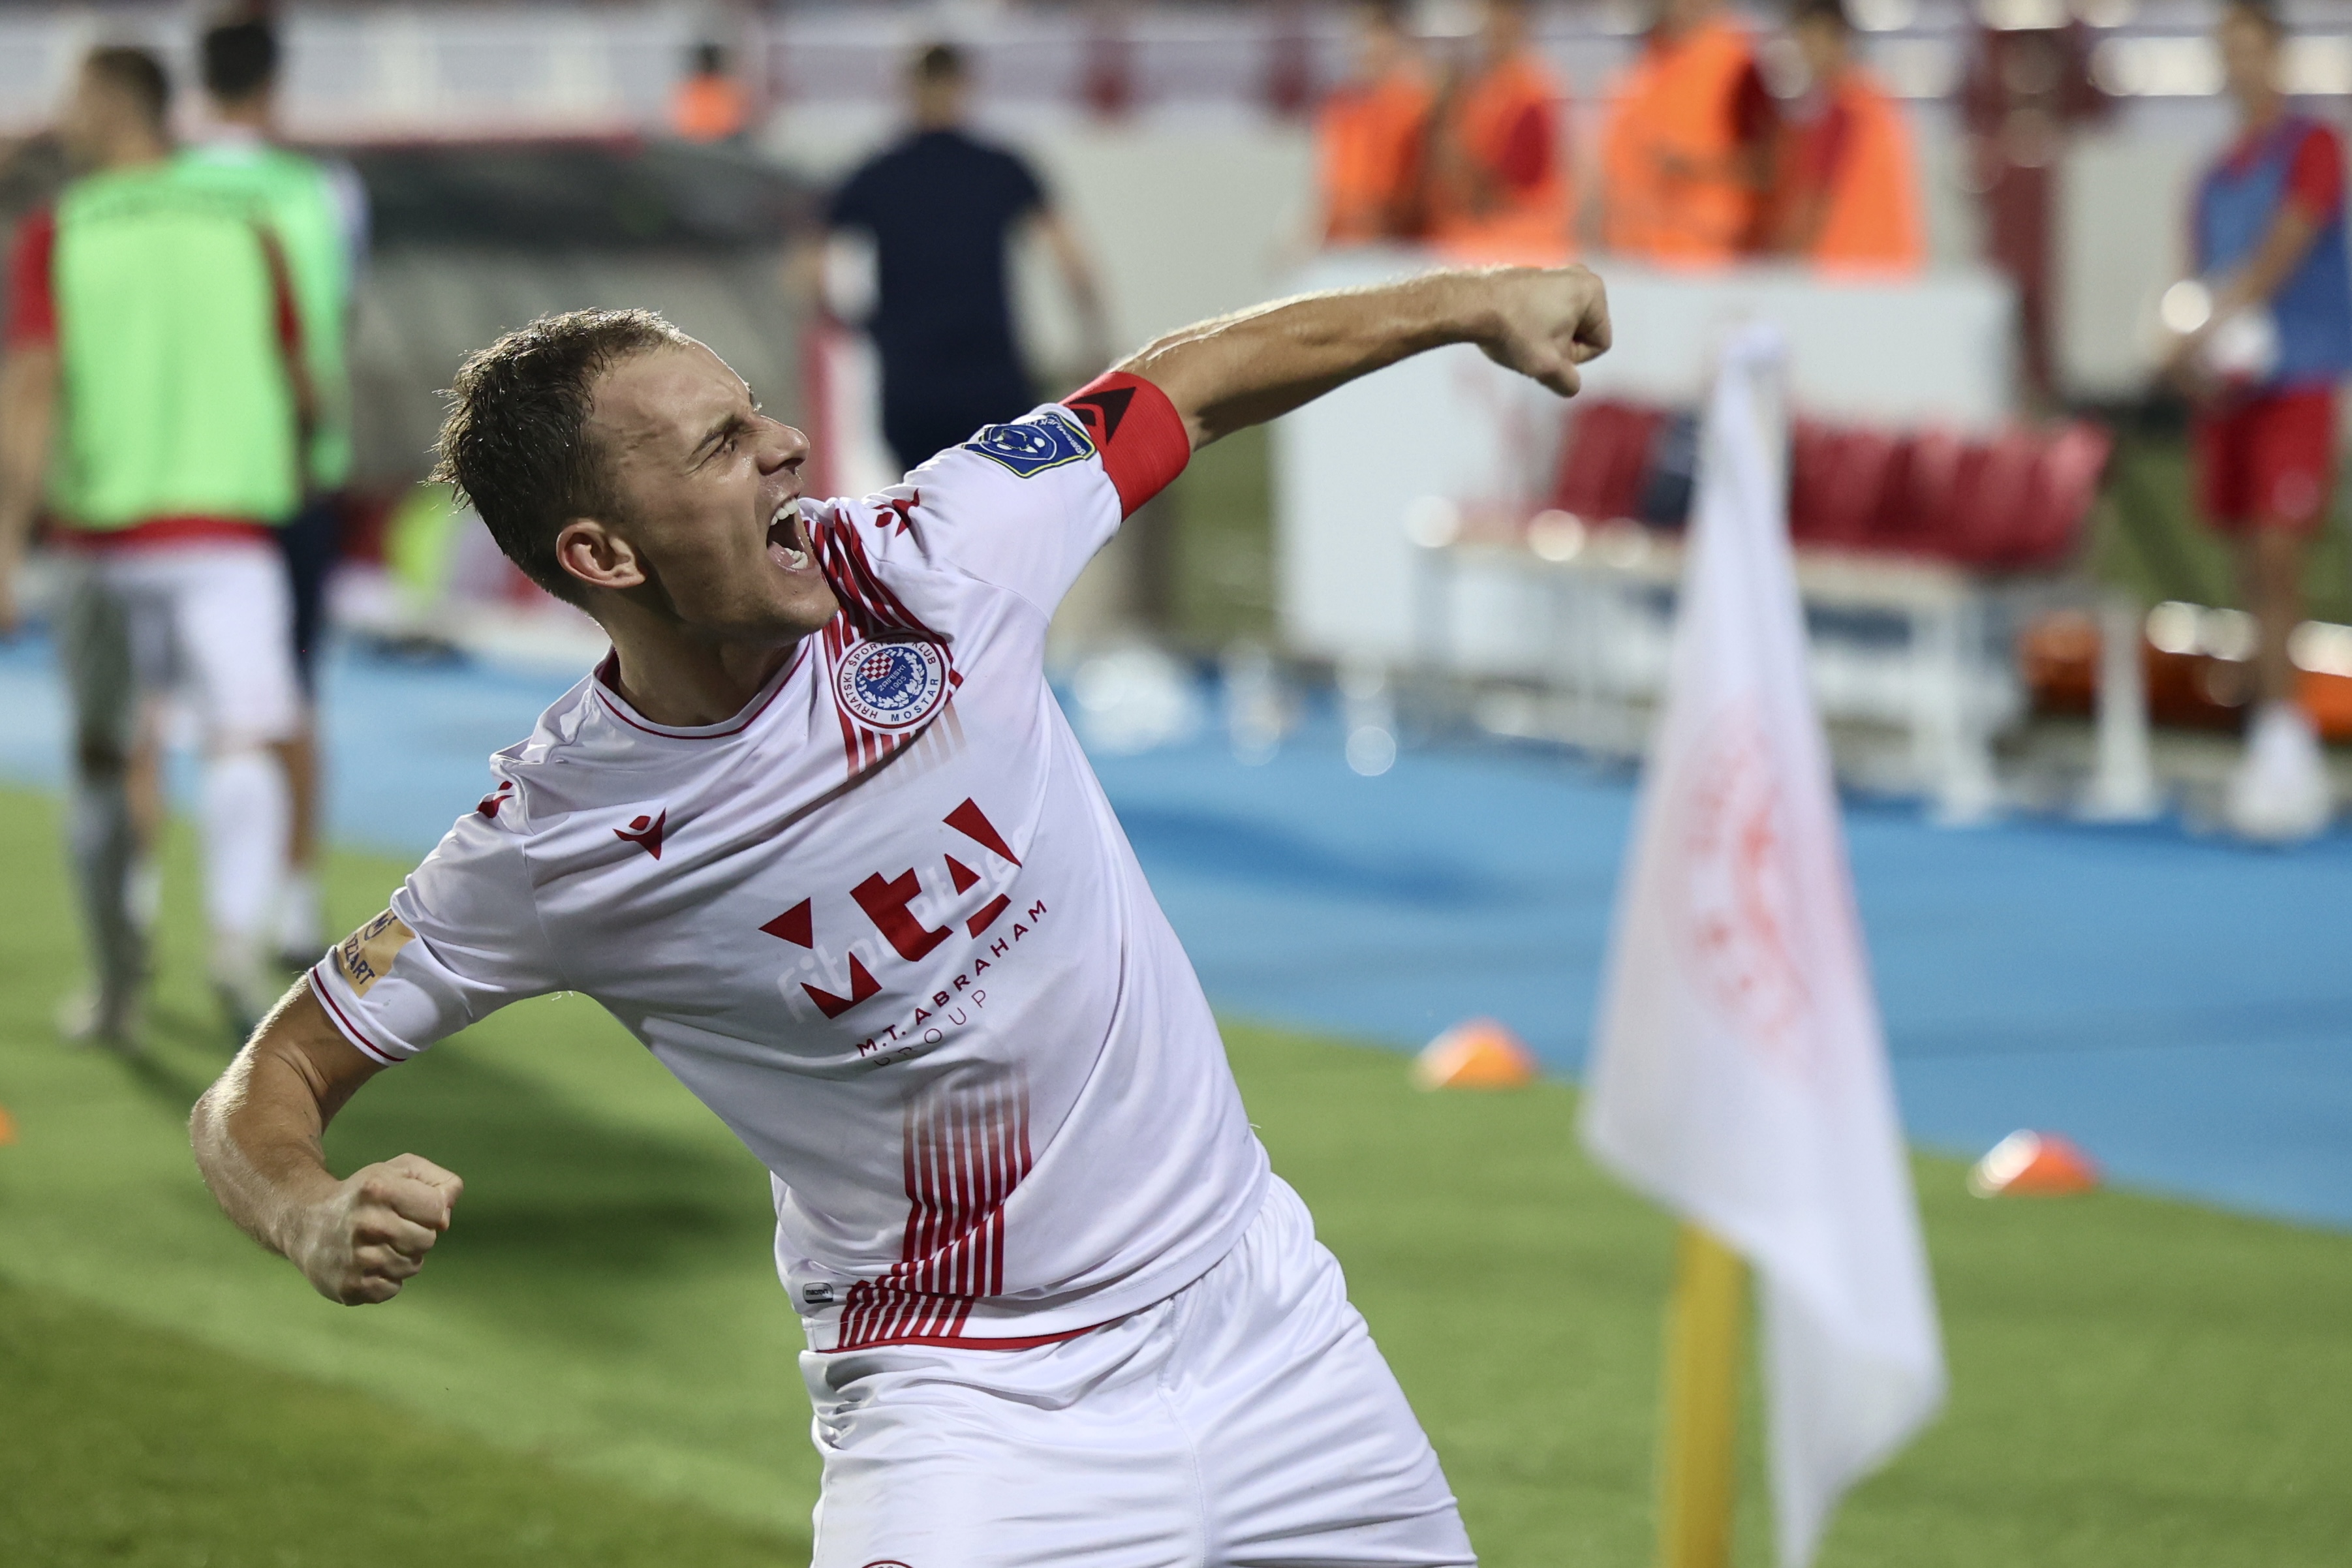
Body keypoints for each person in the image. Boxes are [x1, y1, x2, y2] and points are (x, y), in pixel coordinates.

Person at [187, 262, 1611, 1565]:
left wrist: (1470, 302)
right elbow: (266, 1079)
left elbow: (1187, 385)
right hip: (971, 1404)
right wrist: (307, 1210)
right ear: (605, 555)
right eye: (720, 445)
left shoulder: (937, 554)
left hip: (1268, 1323)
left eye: (756, 411)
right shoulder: (552, 844)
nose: (786, 447)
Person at [0, 48, 309, 1044]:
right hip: (231, 529)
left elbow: (34, 384)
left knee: (101, 758)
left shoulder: (65, 228)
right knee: (244, 737)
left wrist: (5, 537)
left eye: (71, 98)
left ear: (107, 103)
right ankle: (235, 949)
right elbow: (300, 377)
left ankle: (116, 987)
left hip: (103, 537)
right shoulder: (247, 225)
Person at [181, 13, 369, 968]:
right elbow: (337, 317)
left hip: (179, 476)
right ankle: (293, 903)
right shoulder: (323, 191)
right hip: (292, 472)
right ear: (273, 84)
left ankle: (142, 908)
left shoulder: (153, 192)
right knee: (291, 689)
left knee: (166, 701)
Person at [2167, 0, 2351, 841]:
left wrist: (2216, 317)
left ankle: (2288, 745)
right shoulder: (2209, 177)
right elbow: (2195, 278)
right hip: (2232, 394)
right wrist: (2186, 348)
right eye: (2225, 50)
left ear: (2275, 54)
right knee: (2245, 565)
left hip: (2298, 382)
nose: (2237, 64)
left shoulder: (2313, 146)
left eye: (2249, 48)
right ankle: (2268, 744)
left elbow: (2284, 246)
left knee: (2279, 559)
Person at [814, 42, 1108, 474]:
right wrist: (1093, 341)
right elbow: (1071, 261)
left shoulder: (876, 174)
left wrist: (854, 322)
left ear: (907, 88)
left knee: (922, 503)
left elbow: (808, 269)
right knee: (1005, 497)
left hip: (911, 382)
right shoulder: (1001, 168)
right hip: (991, 377)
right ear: (964, 85)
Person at [1599, 0, 1777, 264]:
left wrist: (1689, 166)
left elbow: (1767, 168)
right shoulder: (1646, 64)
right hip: (1636, 256)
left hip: (1707, 259)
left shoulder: (1738, 65)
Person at [1769, 0, 1925, 274]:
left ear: (1837, 38)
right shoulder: (1878, 101)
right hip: (1890, 270)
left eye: (1810, 39)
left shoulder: (1844, 108)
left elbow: (1817, 203)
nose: (1804, 52)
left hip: (1843, 273)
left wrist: (1779, 270)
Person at [1426, 0, 1573, 264]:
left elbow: (1513, 180)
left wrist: (1449, 141)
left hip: (1518, 243)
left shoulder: (1531, 90)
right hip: (1483, 238)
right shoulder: (1485, 87)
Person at [1314, 1, 1434, 247]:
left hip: (1393, 242)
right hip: (1344, 239)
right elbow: (1329, 190)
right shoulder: (1341, 107)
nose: (1368, 47)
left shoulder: (1415, 107)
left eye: (1377, 37)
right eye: (1363, 36)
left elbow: (1414, 197)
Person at [671, 41, 750, 144]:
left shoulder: (727, 90)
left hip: (721, 144)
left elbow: (733, 123)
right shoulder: (691, 89)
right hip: (697, 144)